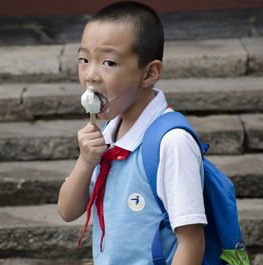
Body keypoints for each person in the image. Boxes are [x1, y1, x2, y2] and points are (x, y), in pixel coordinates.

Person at [57, 1, 206, 264]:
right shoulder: (109, 132)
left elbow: (191, 241)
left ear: (149, 73)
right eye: (83, 59)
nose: (91, 75)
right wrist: (85, 161)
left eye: (108, 62)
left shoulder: (171, 142)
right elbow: (67, 211)